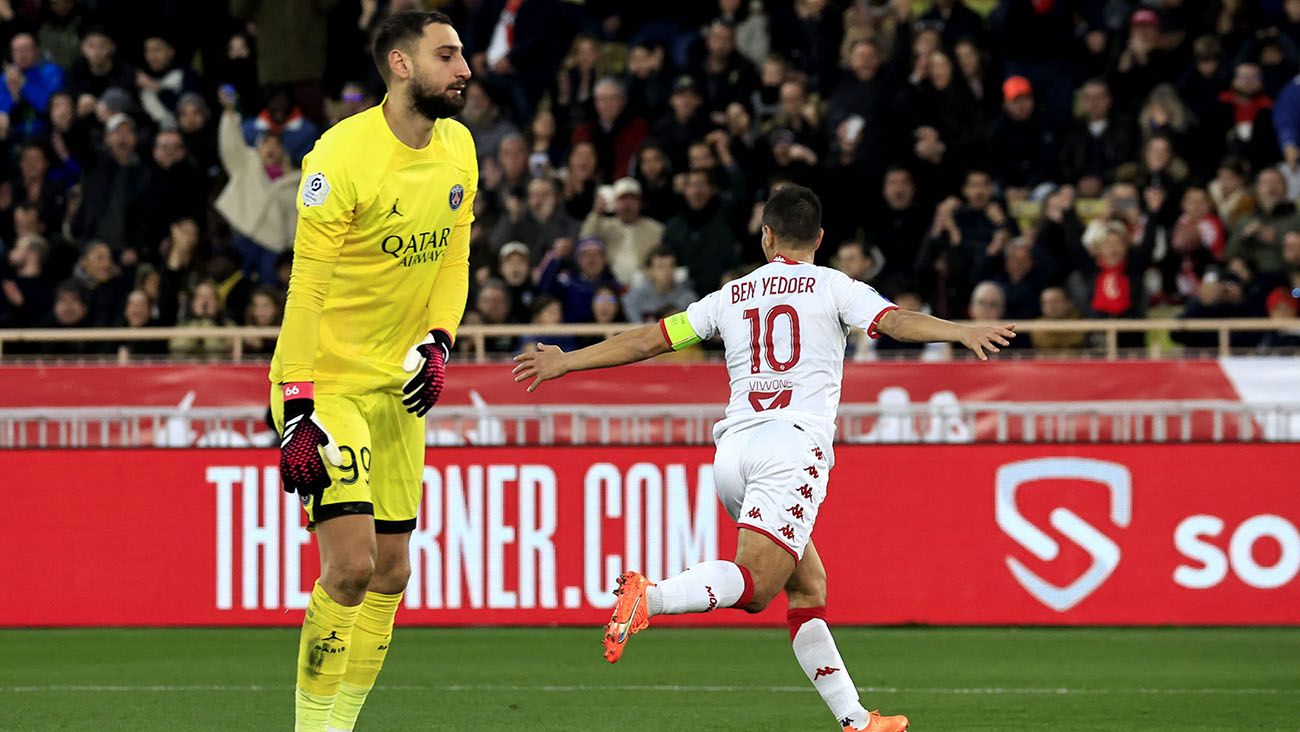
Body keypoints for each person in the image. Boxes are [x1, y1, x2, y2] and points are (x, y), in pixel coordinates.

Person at [512, 185, 1014, 732]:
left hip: (733, 453)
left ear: (766, 235)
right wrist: (961, 331)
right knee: (757, 586)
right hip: (791, 448)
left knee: (808, 586)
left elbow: (650, 340)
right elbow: (894, 322)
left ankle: (857, 720)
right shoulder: (835, 287)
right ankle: (650, 598)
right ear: (820, 238)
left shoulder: (732, 295)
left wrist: (569, 363)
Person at [267, 11, 475, 732]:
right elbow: (307, 288)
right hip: (326, 382)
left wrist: (442, 339)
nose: (464, 69)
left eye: (462, 55)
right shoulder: (340, 156)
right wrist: (297, 409)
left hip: (400, 385)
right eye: (446, 56)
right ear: (400, 64)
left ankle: (339, 725)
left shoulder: (459, 149)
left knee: (393, 573)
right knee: (350, 567)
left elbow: (454, 261)